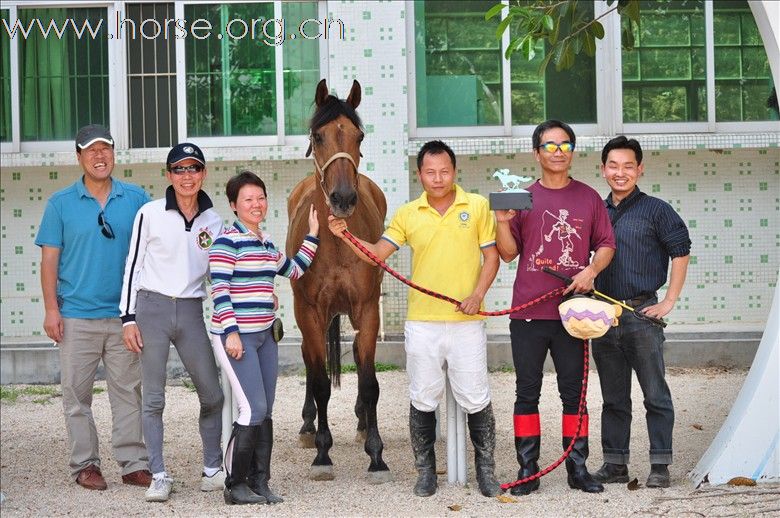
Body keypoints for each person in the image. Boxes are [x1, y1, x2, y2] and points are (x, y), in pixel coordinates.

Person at [328, 140, 502, 498]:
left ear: (454, 172)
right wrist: (346, 236)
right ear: (419, 174)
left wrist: (477, 296)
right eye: (430, 172)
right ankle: (425, 472)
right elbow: (378, 254)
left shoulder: (478, 206)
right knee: (423, 397)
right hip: (422, 322)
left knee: (476, 396)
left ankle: (487, 471)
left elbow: (493, 258)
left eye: (444, 171)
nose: (438, 178)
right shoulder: (408, 213)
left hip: (467, 321)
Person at [494, 120, 615, 495]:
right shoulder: (523, 198)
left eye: (565, 145)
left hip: (574, 313)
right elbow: (510, 253)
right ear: (537, 153)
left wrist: (591, 270)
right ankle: (528, 469)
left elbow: (607, 244)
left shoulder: (589, 198)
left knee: (573, 393)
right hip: (528, 313)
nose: (558, 151)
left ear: (572, 152)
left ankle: (577, 468)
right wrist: (501, 222)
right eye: (550, 146)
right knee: (526, 392)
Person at [35, 124, 152, 490]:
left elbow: (153, 252)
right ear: (79, 157)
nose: (99, 156)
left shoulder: (136, 199)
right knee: (76, 397)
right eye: (91, 150)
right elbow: (49, 262)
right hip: (76, 318)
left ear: (114, 155)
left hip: (124, 318)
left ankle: (133, 462)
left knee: (128, 392)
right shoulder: (60, 204)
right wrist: (51, 310)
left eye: (106, 149)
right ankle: (85, 464)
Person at [119, 143, 225, 502]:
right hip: (152, 309)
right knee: (153, 398)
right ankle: (159, 474)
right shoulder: (149, 213)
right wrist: (128, 318)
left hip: (192, 310)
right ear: (168, 175)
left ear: (203, 174)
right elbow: (132, 266)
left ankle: (213, 469)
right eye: (179, 169)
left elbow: (219, 273)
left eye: (193, 168)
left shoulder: (214, 220)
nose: (187, 175)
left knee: (212, 393)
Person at [208, 171, 319, 505]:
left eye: (260, 198)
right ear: (233, 205)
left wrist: (312, 234)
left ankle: (260, 482)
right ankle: (235, 485)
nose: (256, 205)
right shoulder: (226, 241)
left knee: (265, 410)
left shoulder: (267, 242)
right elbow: (220, 291)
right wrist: (231, 333)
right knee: (252, 409)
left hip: (265, 337)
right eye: (248, 200)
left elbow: (296, 269)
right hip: (236, 338)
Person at [591, 136, 691, 489]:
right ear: (603, 169)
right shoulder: (595, 210)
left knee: (655, 394)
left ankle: (660, 465)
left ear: (640, 169)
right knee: (613, 397)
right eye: (613, 166)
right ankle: (615, 463)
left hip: (641, 315)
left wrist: (668, 302)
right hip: (602, 317)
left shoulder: (657, 210)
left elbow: (681, 250)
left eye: (628, 166)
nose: (620, 173)